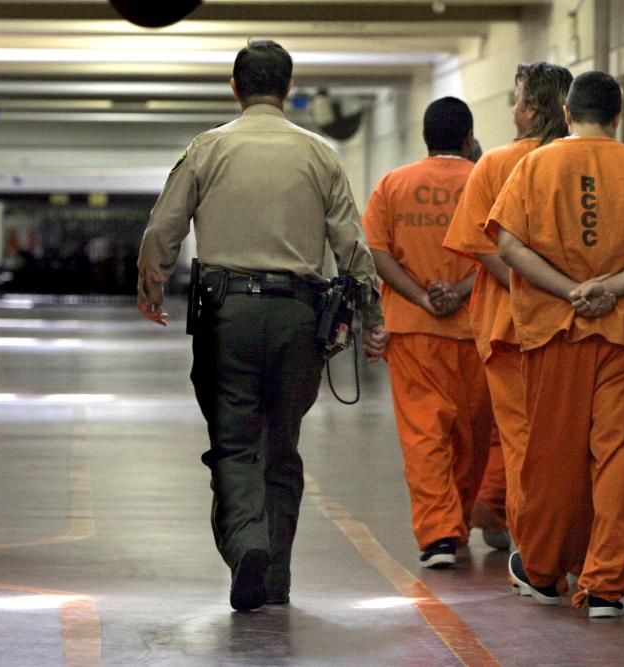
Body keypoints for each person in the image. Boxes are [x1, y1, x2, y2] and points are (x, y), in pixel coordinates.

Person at [136, 39, 389, 612]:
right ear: (290, 89)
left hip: (227, 315)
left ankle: (247, 545)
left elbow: (162, 230)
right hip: (301, 317)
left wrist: (151, 285)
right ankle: (274, 576)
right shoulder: (320, 154)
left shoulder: (207, 148)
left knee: (234, 444)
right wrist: (373, 319)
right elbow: (352, 245)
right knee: (283, 446)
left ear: (235, 88)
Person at [487, 71, 624, 617]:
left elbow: (508, 245)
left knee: (552, 454)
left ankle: (544, 568)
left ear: (568, 113)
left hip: (557, 331)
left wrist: (570, 290)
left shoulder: (534, 165)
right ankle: (605, 585)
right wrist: (611, 288)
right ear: (619, 117)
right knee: (621, 458)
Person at [444, 62, 573, 557]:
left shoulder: (496, 164)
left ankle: (534, 551)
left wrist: (531, 290)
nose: (512, 110)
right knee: (567, 446)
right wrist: (566, 292)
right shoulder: (581, 163)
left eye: (516, 100)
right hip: (575, 325)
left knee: (521, 444)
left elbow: (485, 248)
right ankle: (565, 547)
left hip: (511, 327)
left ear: (532, 109)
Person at [362, 97, 494, 568]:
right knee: (472, 436)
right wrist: (457, 292)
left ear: (425, 139)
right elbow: (504, 253)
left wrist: (419, 298)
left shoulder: (394, 184)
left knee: (424, 435)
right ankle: (452, 523)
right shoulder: (488, 181)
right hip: (478, 331)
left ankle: (438, 534)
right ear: (468, 139)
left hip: (413, 330)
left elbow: (377, 252)